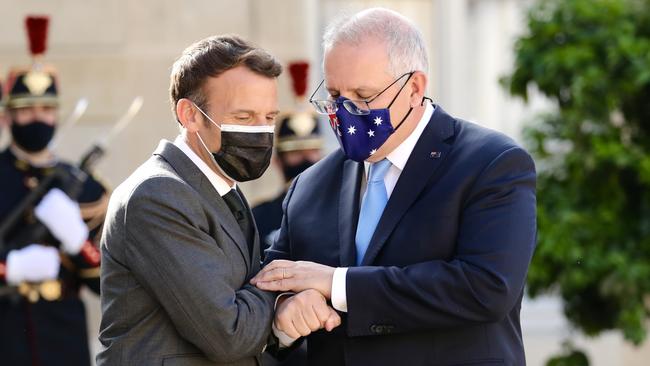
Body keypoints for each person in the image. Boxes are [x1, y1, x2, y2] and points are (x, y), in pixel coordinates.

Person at [251, 8, 537, 366]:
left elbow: (486, 287)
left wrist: (339, 285)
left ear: (415, 88)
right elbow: (272, 282)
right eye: (336, 96)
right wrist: (284, 313)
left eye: (363, 96)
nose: (346, 112)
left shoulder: (490, 163)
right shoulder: (311, 186)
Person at [97, 34, 341, 366]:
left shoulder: (219, 188)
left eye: (269, 118)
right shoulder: (157, 195)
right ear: (190, 115)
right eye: (244, 117)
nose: (260, 132)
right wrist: (287, 288)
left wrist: (286, 321)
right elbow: (229, 332)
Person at [0, 16, 108, 366]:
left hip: (63, 336)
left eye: (46, 109)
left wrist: (79, 243)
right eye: (25, 110)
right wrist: (9, 268)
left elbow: (108, 282)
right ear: (6, 118)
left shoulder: (85, 186)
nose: (37, 118)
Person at [253, 61, 323, 253]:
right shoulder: (259, 216)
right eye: (295, 152)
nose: (307, 159)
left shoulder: (345, 212)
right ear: (277, 161)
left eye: (312, 151)